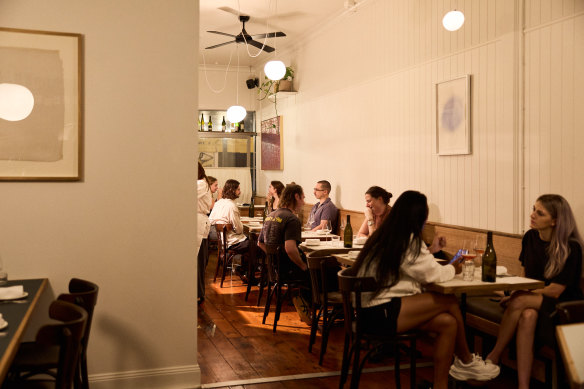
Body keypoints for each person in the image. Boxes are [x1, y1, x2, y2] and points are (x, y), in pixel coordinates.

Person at [352, 190, 500, 389]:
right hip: (381, 314)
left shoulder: (387, 236)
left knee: (448, 323)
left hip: (368, 312)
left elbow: (415, 265)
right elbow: (434, 275)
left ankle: (441, 385)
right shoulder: (408, 240)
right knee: (449, 301)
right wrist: (456, 265)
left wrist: (433, 252)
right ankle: (466, 361)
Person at [485, 194, 584, 389]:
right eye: (533, 209)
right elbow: (525, 275)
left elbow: (556, 291)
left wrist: (518, 296)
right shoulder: (530, 237)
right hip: (536, 300)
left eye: (540, 213)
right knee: (527, 316)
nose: (532, 215)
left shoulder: (571, 247)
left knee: (520, 301)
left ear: (555, 221)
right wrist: (518, 293)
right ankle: (524, 386)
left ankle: (494, 356)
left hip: (565, 305)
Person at [258, 184, 312, 325]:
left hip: (274, 270)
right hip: (289, 271)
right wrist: (302, 265)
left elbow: (260, 243)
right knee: (320, 273)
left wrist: (274, 257)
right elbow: (290, 249)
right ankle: (308, 311)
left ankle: (303, 305)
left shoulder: (270, 216)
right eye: (303, 198)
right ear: (296, 196)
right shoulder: (292, 219)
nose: (304, 202)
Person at [209, 179, 250, 281]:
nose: (240, 192)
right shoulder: (232, 205)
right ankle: (246, 272)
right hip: (232, 241)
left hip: (222, 241)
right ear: (232, 190)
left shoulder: (218, 203)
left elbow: (211, 220)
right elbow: (239, 230)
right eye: (238, 189)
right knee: (254, 244)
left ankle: (244, 270)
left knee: (249, 242)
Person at [197, 163, 213, 304]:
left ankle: (198, 293)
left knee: (198, 261)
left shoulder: (201, 184)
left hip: (199, 226)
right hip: (195, 225)